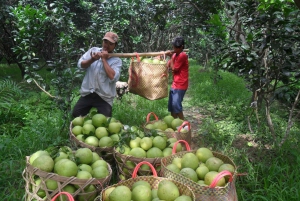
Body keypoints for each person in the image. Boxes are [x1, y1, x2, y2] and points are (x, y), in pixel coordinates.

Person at [72, 32, 122, 117]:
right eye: (105, 42)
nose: (107, 45)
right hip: (88, 92)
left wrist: (104, 60)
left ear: (115, 46)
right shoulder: (93, 51)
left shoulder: (117, 60)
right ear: (102, 42)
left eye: (111, 44)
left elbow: (113, 77)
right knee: (76, 114)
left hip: (104, 96)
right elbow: (80, 65)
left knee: (104, 120)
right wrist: (92, 59)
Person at [166, 36, 189, 120]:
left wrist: (170, 57)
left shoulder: (182, 55)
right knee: (172, 106)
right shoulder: (175, 54)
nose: (174, 49)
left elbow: (174, 69)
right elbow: (168, 65)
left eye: (176, 48)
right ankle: (174, 125)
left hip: (181, 84)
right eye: (174, 47)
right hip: (174, 84)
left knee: (176, 104)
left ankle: (183, 124)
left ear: (181, 47)